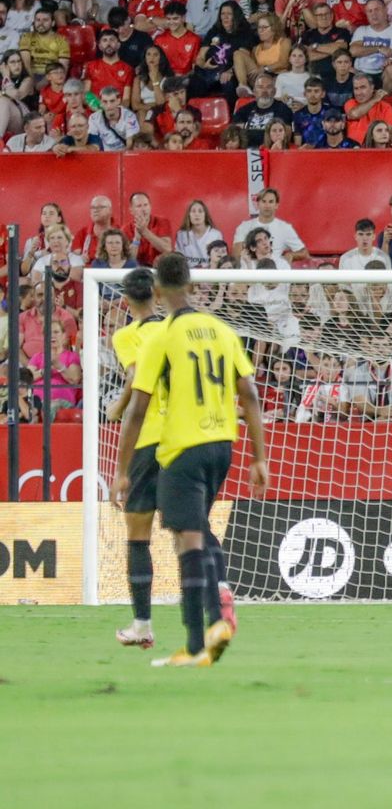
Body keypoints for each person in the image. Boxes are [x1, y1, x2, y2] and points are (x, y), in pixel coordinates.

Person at [112, 253, 269, 668]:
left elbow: (137, 407)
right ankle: (209, 630)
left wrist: (121, 469)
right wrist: (260, 458)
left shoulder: (161, 336)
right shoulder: (221, 329)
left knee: (188, 540)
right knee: (195, 530)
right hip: (224, 444)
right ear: (194, 286)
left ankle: (204, 634)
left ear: (158, 291)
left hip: (181, 446)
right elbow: (250, 394)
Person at [106, 267, 167, 649]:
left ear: (126, 301)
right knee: (192, 531)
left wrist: (118, 405)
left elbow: (134, 377)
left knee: (139, 537)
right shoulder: (175, 328)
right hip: (185, 438)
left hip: (146, 441)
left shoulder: (126, 335)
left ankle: (142, 624)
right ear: (157, 294)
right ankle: (217, 603)